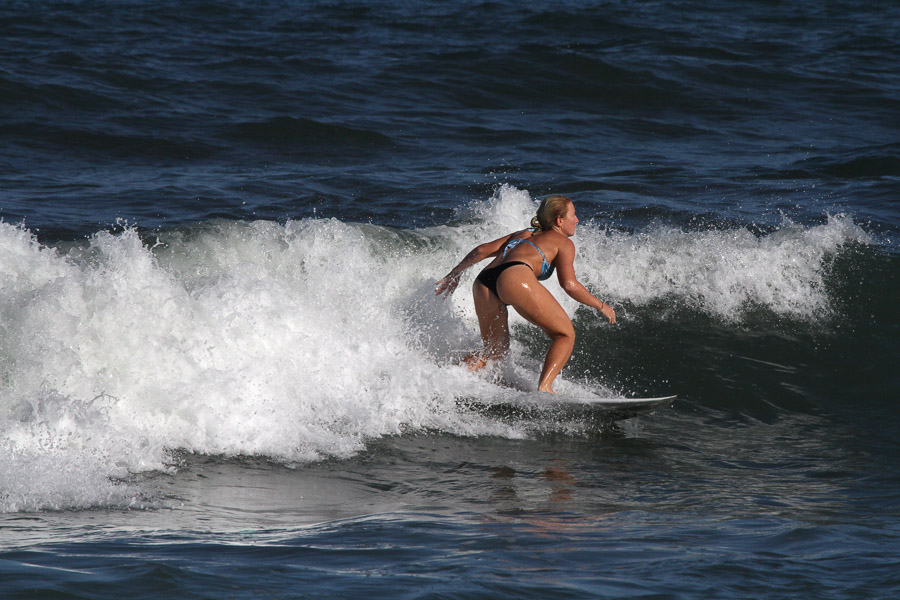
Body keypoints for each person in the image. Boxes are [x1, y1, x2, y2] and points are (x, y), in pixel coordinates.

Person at [435, 195, 616, 393]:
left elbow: (481, 250)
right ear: (559, 220)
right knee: (565, 335)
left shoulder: (524, 233)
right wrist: (601, 305)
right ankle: (545, 388)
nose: (577, 220)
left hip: (484, 282)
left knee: (494, 352)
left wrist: (454, 274)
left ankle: (442, 378)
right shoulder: (563, 242)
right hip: (514, 277)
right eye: (573, 215)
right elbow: (569, 285)